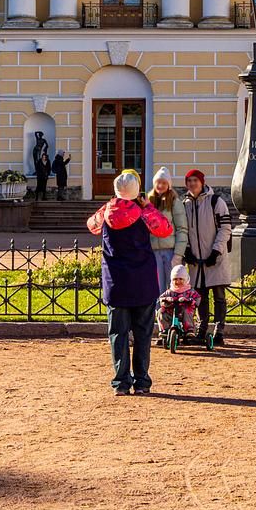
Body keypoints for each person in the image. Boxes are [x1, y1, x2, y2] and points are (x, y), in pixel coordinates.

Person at [85, 169, 172, 395]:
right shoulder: (143, 213)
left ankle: (121, 382)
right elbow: (165, 229)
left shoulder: (106, 212)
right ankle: (142, 381)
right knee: (143, 334)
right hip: (142, 281)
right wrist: (147, 206)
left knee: (118, 334)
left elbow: (91, 225)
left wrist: (111, 204)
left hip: (116, 282)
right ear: (136, 192)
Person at [181, 169, 233, 344]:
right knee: (200, 298)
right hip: (196, 260)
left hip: (215, 258)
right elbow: (183, 230)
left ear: (202, 182)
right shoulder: (184, 204)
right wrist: (187, 250)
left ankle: (219, 331)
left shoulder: (216, 201)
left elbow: (225, 228)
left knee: (219, 296)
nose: (192, 184)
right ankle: (202, 330)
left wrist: (216, 251)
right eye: (189, 181)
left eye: (195, 180)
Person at [144, 168, 184, 292]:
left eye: (164, 183)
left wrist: (178, 254)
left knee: (173, 286)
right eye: (158, 182)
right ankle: (158, 311)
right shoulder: (148, 202)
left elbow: (182, 229)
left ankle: (172, 311)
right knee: (156, 287)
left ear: (168, 185)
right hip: (153, 251)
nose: (160, 186)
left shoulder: (174, 202)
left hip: (170, 251)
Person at [155, 264, 200, 340]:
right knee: (160, 311)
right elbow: (161, 298)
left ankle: (189, 330)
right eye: (175, 279)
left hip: (183, 312)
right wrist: (167, 299)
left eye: (180, 279)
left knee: (187, 311)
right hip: (171, 312)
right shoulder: (170, 291)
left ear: (185, 279)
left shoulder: (189, 291)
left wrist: (189, 300)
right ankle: (165, 330)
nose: (178, 281)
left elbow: (197, 298)